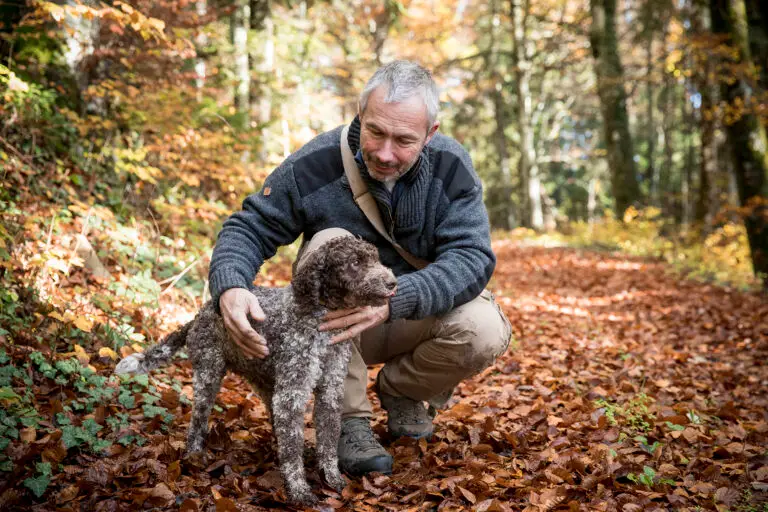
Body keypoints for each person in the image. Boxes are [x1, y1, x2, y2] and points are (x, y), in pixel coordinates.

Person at [208, 60, 512, 476]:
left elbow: (471, 257)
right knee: (330, 241)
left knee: (485, 328)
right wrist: (230, 285)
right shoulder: (314, 163)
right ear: (360, 113)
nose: (385, 153)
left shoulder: (452, 166)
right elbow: (250, 226)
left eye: (404, 140)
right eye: (375, 132)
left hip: (408, 313)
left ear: (431, 134)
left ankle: (402, 391)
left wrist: (395, 300)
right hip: (334, 327)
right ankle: (349, 422)